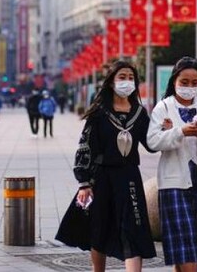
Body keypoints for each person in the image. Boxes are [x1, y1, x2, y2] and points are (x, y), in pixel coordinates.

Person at [61, 61, 157, 271]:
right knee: (100, 230)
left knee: (134, 228)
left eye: (131, 78)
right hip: (102, 177)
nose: (127, 82)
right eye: (122, 77)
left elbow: (151, 145)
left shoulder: (139, 113)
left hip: (130, 177)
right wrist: (84, 183)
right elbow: (85, 147)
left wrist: (166, 130)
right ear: (112, 82)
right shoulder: (99, 113)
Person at [147, 57, 197, 271]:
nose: (189, 87)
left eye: (194, 82)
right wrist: (180, 132)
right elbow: (152, 141)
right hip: (173, 183)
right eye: (184, 82)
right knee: (184, 238)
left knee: (188, 241)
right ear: (175, 81)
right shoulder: (163, 107)